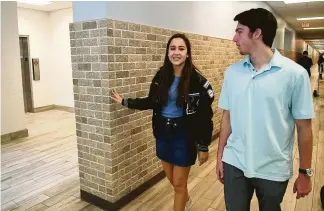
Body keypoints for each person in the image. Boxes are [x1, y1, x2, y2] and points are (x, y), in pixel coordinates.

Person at [216, 8, 315, 211]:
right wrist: (220, 158)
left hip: (273, 167)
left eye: (240, 31)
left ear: (257, 33)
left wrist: (305, 172)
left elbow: (304, 128)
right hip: (234, 161)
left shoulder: (295, 75)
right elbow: (227, 117)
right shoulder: (232, 73)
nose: (234, 38)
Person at [111, 33, 214, 211]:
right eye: (172, 48)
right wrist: (125, 101)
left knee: (180, 184)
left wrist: (203, 145)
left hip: (184, 136)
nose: (176, 52)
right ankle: (185, 199)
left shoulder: (196, 81)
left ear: (188, 53)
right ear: (167, 52)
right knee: (173, 180)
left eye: (181, 49)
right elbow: (151, 101)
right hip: (163, 134)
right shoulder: (161, 75)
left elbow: (204, 115)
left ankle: (181, 202)